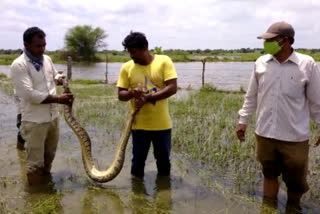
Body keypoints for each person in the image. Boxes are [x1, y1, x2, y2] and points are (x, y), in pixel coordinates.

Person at [236, 21, 320, 213]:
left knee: (295, 182)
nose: (266, 44)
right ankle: (268, 208)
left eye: (271, 40)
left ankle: (293, 208)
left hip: (294, 137)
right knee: (269, 173)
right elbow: (251, 96)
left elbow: (317, 101)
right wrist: (243, 121)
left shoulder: (307, 64)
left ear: (286, 41)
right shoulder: (261, 63)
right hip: (265, 133)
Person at [10, 27, 73, 185]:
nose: (42, 49)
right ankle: (34, 199)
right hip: (34, 121)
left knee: (49, 158)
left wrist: (59, 78)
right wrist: (59, 99)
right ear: (26, 44)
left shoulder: (47, 59)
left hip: (53, 118)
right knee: (34, 165)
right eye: (38, 46)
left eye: (44, 45)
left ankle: (44, 188)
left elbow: (53, 74)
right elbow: (29, 94)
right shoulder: (19, 65)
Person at [117, 31, 177, 179]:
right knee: (137, 163)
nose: (131, 56)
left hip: (162, 125)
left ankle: (163, 192)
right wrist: (132, 93)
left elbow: (172, 87)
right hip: (138, 126)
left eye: (134, 52)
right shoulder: (126, 67)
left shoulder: (164, 61)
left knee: (163, 162)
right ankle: (136, 195)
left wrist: (148, 98)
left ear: (145, 47)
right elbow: (121, 95)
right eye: (129, 52)